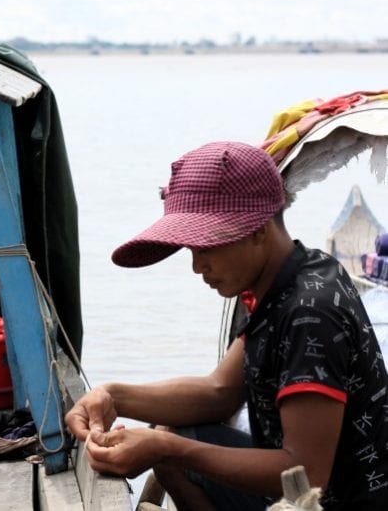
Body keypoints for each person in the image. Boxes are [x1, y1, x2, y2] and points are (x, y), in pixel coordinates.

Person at [64, 141, 388, 510]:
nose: (197, 266)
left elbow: (306, 475)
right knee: (173, 433)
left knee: (172, 444)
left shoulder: (309, 313)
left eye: (206, 247)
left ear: (258, 229)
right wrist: (113, 396)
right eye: (191, 250)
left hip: (332, 501)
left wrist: (169, 449)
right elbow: (220, 392)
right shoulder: (295, 274)